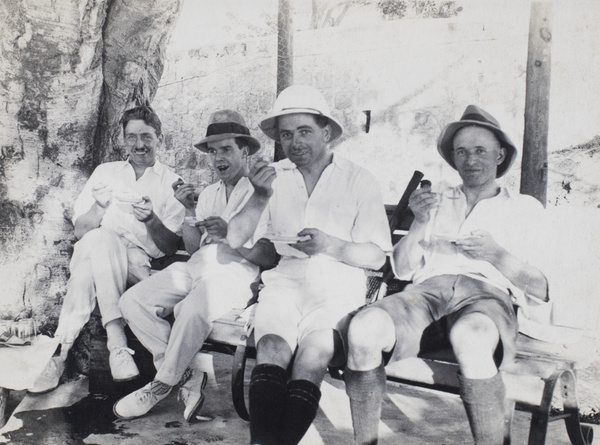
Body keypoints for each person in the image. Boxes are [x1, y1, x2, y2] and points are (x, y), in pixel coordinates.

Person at [344, 105, 549, 445]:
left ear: (500, 154)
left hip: (486, 298)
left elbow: (541, 288)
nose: (470, 160)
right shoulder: (436, 199)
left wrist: (496, 255)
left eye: (480, 151)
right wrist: (420, 222)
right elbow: (404, 269)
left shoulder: (523, 208)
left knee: (472, 337)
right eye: (462, 152)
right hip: (426, 295)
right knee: (363, 329)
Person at [226, 85, 392, 445]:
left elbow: (378, 257)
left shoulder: (358, 179)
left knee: (312, 358)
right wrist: (258, 197)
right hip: (284, 281)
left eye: (304, 131)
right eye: (286, 134)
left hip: (336, 286)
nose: (294, 142)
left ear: (327, 132)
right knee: (270, 347)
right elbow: (237, 238)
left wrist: (330, 244)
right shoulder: (272, 178)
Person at [113, 110, 278, 422]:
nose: (217, 159)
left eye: (225, 149)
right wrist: (189, 210)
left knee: (191, 309)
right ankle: (188, 374)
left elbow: (268, 257)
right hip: (196, 267)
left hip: (236, 273)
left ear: (244, 151)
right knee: (131, 301)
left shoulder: (263, 192)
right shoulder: (211, 193)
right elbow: (191, 248)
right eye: (213, 152)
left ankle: (161, 384)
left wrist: (233, 237)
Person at [29, 106, 186, 394]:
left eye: (147, 137)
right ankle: (118, 348)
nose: (139, 145)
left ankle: (59, 355)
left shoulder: (172, 183)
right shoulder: (106, 172)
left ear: (160, 139)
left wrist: (151, 219)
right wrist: (100, 205)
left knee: (93, 257)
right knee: (101, 240)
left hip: (138, 271)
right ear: (123, 139)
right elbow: (80, 230)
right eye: (132, 137)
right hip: (99, 252)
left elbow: (168, 247)